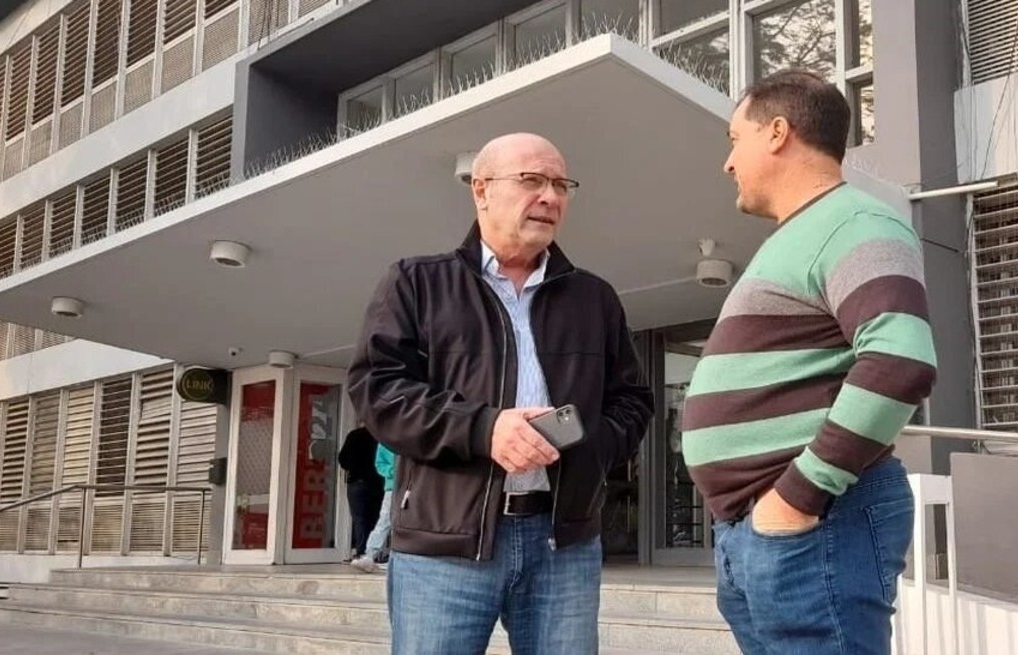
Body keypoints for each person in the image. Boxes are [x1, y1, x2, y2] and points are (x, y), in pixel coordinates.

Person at [347, 132, 653, 655]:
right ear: (481, 189)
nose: (550, 197)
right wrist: (484, 430)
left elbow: (633, 401)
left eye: (561, 185)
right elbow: (378, 391)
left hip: (563, 546)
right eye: (532, 180)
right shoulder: (416, 282)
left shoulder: (594, 298)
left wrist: (585, 447)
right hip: (445, 546)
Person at [680, 70, 938, 655]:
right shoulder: (800, 236)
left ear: (777, 133)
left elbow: (899, 360)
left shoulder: (855, 222)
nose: (727, 162)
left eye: (734, 139)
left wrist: (799, 495)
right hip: (769, 529)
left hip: (816, 521)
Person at [336, 422, 383, 562]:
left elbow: (342, 459)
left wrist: (353, 467)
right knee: (375, 518)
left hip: (357, 482)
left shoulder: (354, 435)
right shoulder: (380, 437)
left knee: (359, 518)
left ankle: (361, 551)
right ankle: (373, 552)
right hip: (376, 483)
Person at [350, 443, 395, 573]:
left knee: (405, 523)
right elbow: (380, 464)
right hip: (393, 487)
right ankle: (369, 555)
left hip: (412, 486)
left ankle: (396, 558)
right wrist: (393, 472)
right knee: (384, 521)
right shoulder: (384, 442)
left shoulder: (410, 436)